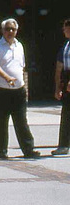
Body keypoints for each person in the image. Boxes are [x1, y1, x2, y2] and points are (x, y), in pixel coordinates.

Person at [0, 18, 40, 159]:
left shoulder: (19, 46)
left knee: (21, 121)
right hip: (0, 90)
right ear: (2, 31)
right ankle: (2, 151)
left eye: (13, 29)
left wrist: (21, 84)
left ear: (16, 31)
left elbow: (21, 66)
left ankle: (29, 150)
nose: (10, 32)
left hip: (18, 91)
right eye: (7, 29)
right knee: (1, 122)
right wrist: (7, 77)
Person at [52, 19, 70, 156]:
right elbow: (59, 67)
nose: (63, 31)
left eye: (65, 28)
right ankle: (64, 145)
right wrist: (58, 87)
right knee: (66, 115)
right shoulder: (65, 46)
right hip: (66, 80)